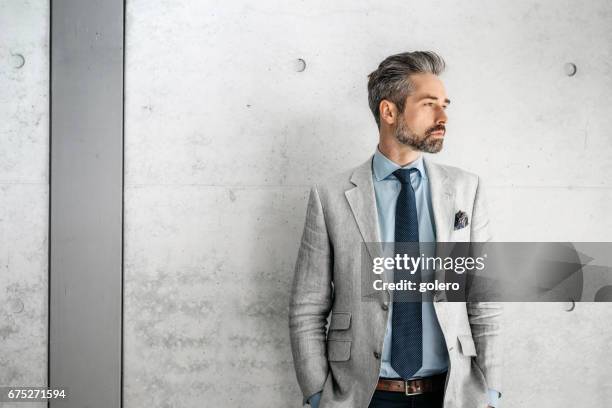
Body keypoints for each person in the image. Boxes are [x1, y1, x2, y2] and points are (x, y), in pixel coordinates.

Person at [288, 51, 502, 408]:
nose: (443, 116)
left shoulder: (467, 190)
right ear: (389, 112)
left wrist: (490, 391)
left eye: (445, 105)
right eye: (429, 104)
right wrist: (316, 393)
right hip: (363, 396)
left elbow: (485, 298)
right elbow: (307, 306)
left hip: (451, 394)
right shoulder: (330, 197)